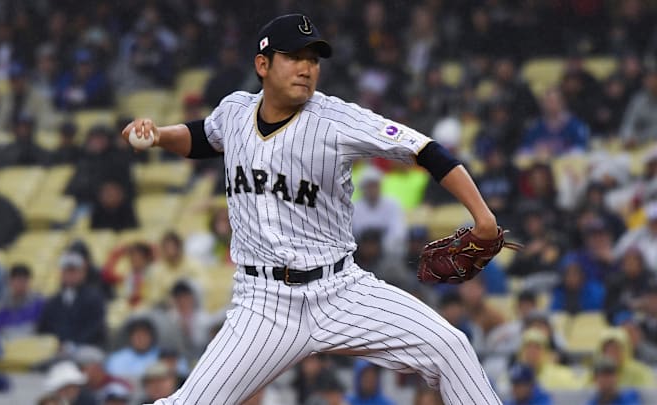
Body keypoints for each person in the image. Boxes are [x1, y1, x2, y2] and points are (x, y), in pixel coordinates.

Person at [123, 14, 505, 404]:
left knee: (451, 347)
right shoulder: (235, 112)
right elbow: (201, 137)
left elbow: (425, 150)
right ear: (263, 64)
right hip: (264, 303)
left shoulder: (337, 120)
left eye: (314, 60)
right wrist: (158, 137)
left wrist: (483, 217)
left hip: (340, 290)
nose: (307, 68)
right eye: (294, 57)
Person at [37, 252, 107, 347]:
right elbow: (45, 328)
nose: (70, 275)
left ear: (83, 273)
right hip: (57, 349)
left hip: (87, 347)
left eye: (73, 271)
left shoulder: (94, 297)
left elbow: (95, 327)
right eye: (66, 271)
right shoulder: (53, 301)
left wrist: (74, 344)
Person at [0, 264, 44, 339]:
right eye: (18, 280)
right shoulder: (2, 305)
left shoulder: (38, 303)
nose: (22, 284)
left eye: (25, 280)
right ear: (10, 282)